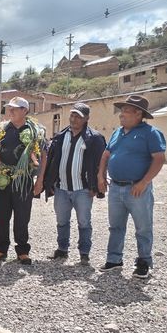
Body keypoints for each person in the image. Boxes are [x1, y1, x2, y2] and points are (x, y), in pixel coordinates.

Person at [97, 95, 166, 279]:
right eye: (122, 110)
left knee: (143, 227)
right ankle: (114, 259)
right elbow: (106, 154)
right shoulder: (117, 132)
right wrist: (100, 175)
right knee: (115, 226)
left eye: (126, 110)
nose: (121, 114)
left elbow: (159, 159)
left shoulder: (151, 133)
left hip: (138, 189)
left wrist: (144, 182)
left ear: (138, 114)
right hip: (116, 188)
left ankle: (143, 262)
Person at [43, 103, 106, 265]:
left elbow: (102, 163)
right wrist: (49, 182)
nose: (74, 119)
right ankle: (62, 250)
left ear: (86, 119)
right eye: (72, 115)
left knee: (84, 222)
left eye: (78, 116)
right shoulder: (60, 136)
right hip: (61, 188)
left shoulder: (95, 138)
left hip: (83, 189)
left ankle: (84, 253)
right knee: (62, 221)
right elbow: (51, 161)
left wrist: (96, 185)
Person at [0, 97, 47, 265]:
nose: (11, 111)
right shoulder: (2, 129)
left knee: (22, 216)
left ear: (25, 110)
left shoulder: (36, 130)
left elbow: (44, 155)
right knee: (2, 215)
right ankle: (1, 248)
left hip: (24, 179)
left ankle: (22, 250)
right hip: (3, 179)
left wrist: (40, 180)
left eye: (15, 108)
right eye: (10, 108)